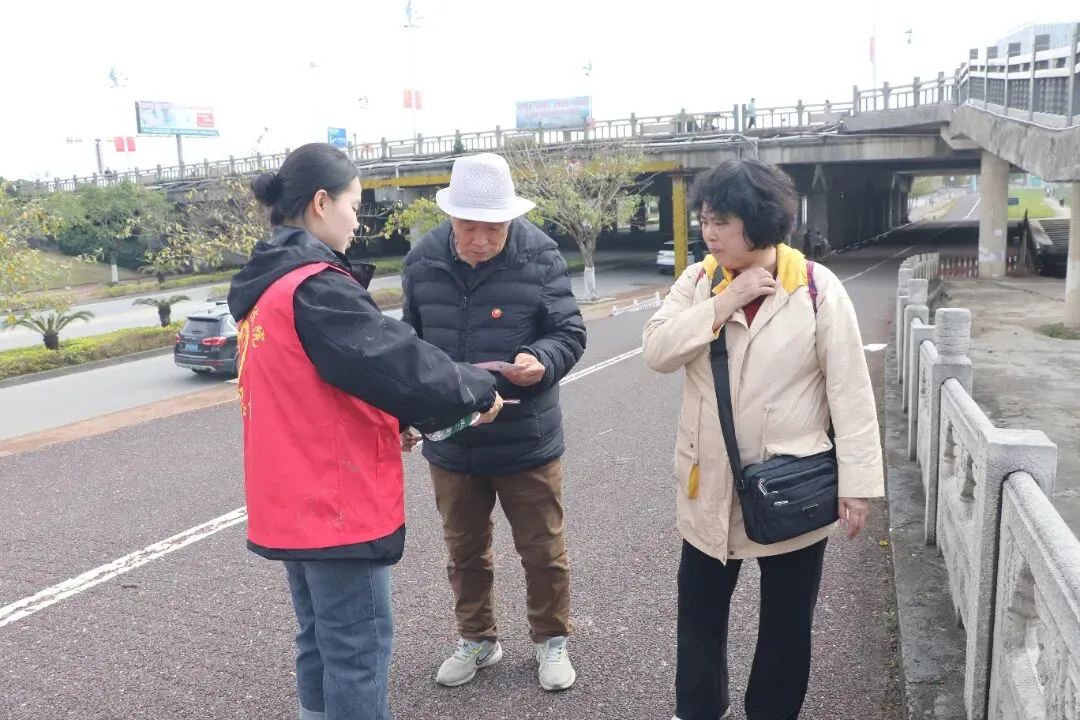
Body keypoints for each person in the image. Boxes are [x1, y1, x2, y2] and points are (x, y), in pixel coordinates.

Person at [227, 142, 505, 720]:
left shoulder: (266, 286)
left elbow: (323, 387)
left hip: (291, 498)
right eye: (354, 206)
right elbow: (395, 360)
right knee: (357, 650)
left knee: (318, 640)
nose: (358, 221)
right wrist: (476, 389)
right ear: (321, 203)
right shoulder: (315, 285)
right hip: (334, 504)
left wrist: (391, 420)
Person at [641, 158, 883, 720]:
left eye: (722, 221)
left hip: (791, 486)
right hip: (709, 484)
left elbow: (849, 390)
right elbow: (656, 351)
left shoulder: (816, 288)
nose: (709, 232)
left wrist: (858, 484)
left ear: (760, 222)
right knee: (699, 614)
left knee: (787, 623)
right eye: (705, 219)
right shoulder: (699, 281)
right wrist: (724, 302)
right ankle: (698, 710)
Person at [401, 152, 587, 691]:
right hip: (452, 439)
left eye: (494, 228)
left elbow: (569, 332)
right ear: (450, 216)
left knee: (542, 549)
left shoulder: (541, 255)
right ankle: (478, 639)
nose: (481, 240)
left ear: (510, 219)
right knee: (463, 550)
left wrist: (542, 360)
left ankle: (550, 640)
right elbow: (408, 346)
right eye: (468, 227)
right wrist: (406, 413)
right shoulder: (423, 259)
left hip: (525, 435)